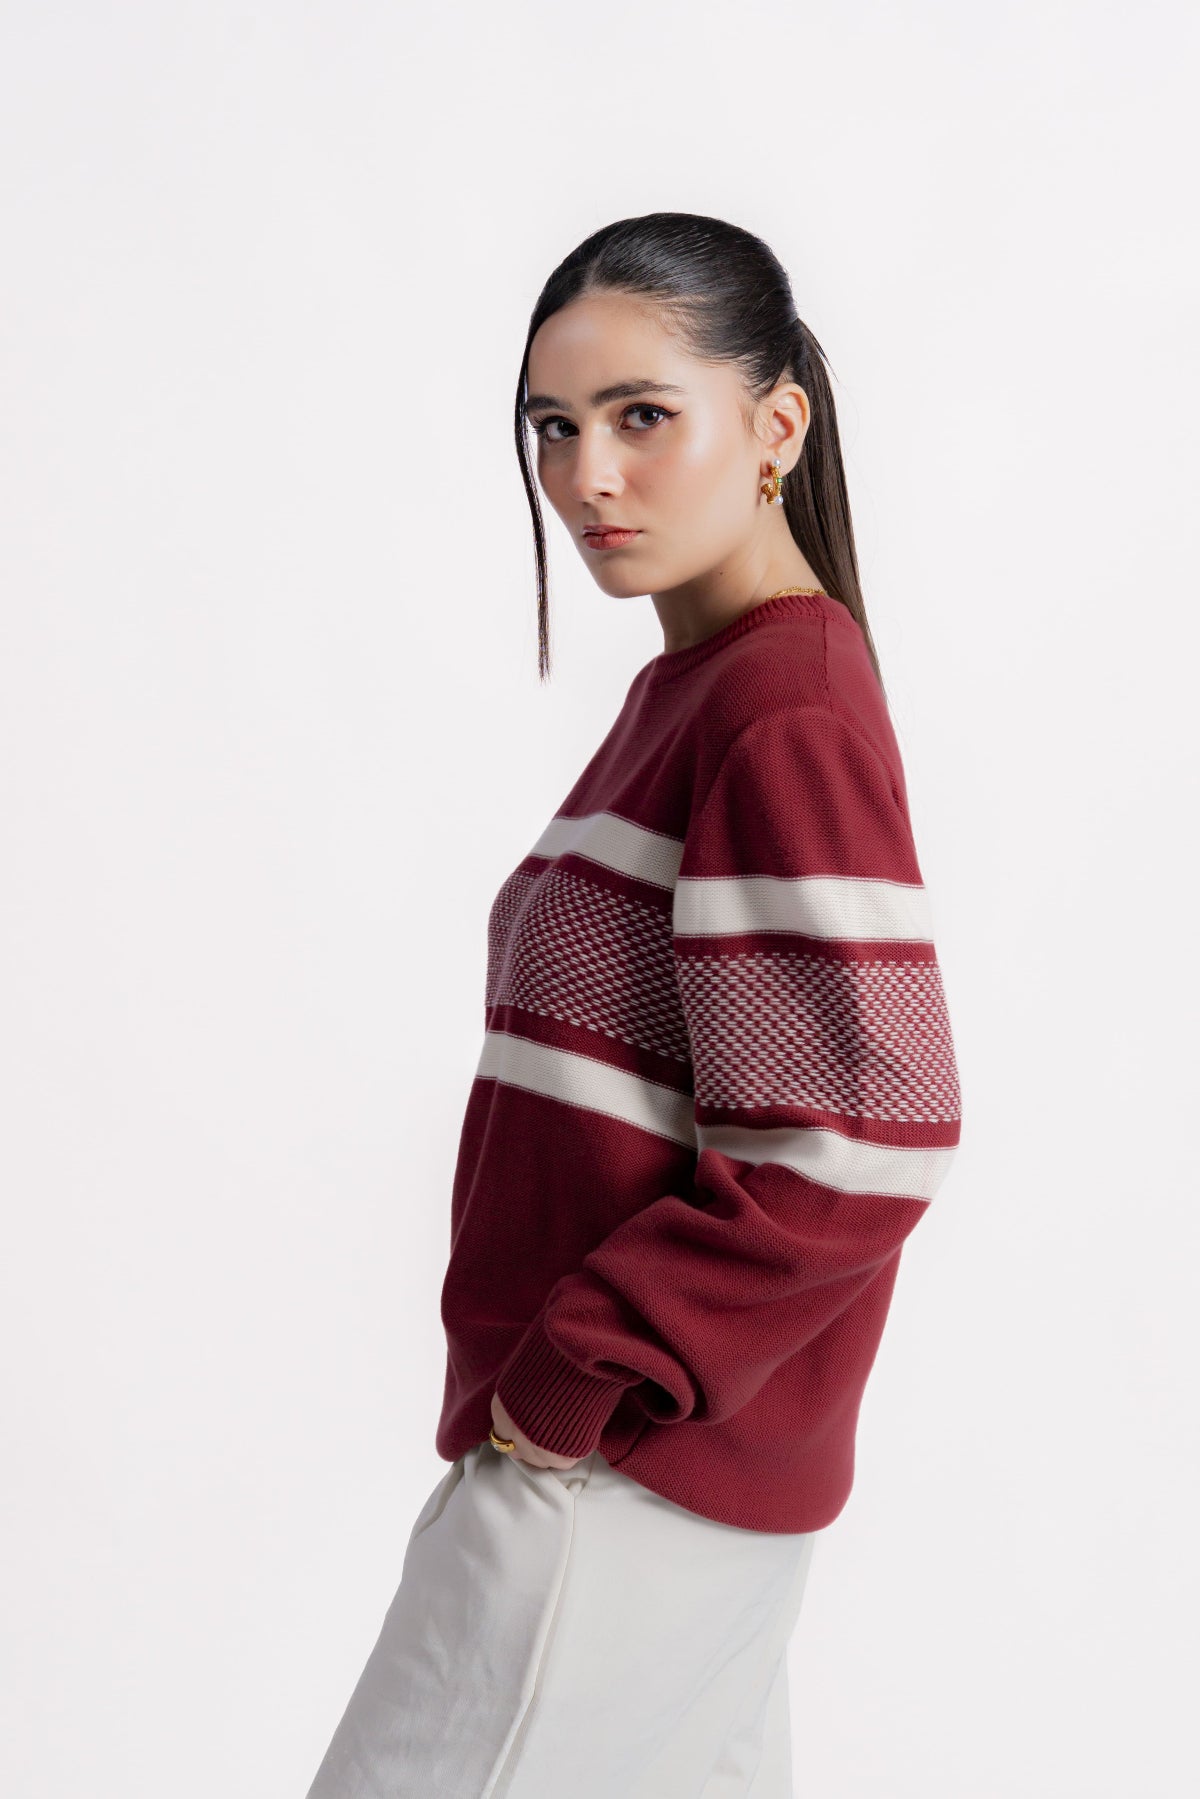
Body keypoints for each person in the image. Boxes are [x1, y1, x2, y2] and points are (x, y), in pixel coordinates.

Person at [304, 210, 962, 1799]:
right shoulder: (702, 691)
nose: (586, 474)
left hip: (615, 1502)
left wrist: (568, 1381)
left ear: (776, 426)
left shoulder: (775, 708)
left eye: (642, 416)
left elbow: (862, 1142)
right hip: (658, 1500)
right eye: (553, 425)